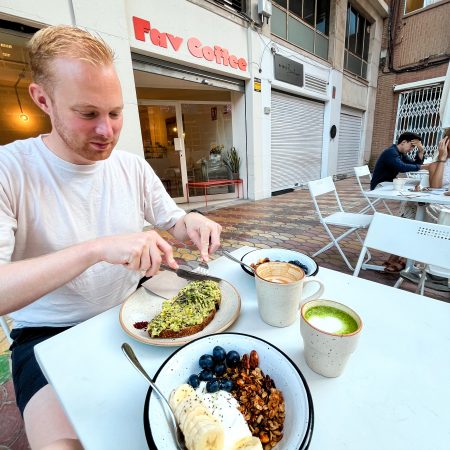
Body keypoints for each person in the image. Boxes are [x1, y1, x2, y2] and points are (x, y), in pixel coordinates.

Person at [0, 25, 222, 449]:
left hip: (134, 313)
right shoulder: (11, 170)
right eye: (87, 114)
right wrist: (97, 249)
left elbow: (172, 220)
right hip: (50, 335)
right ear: (42, 99)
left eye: (115, 113)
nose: (107, 130)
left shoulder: (130, 166)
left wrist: (191, 224)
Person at [426, 129, 450, 222]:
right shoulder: (435, 165)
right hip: (440, 205)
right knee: (432, 207)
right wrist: (442, 159)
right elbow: (435, 188)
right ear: (445, 142)